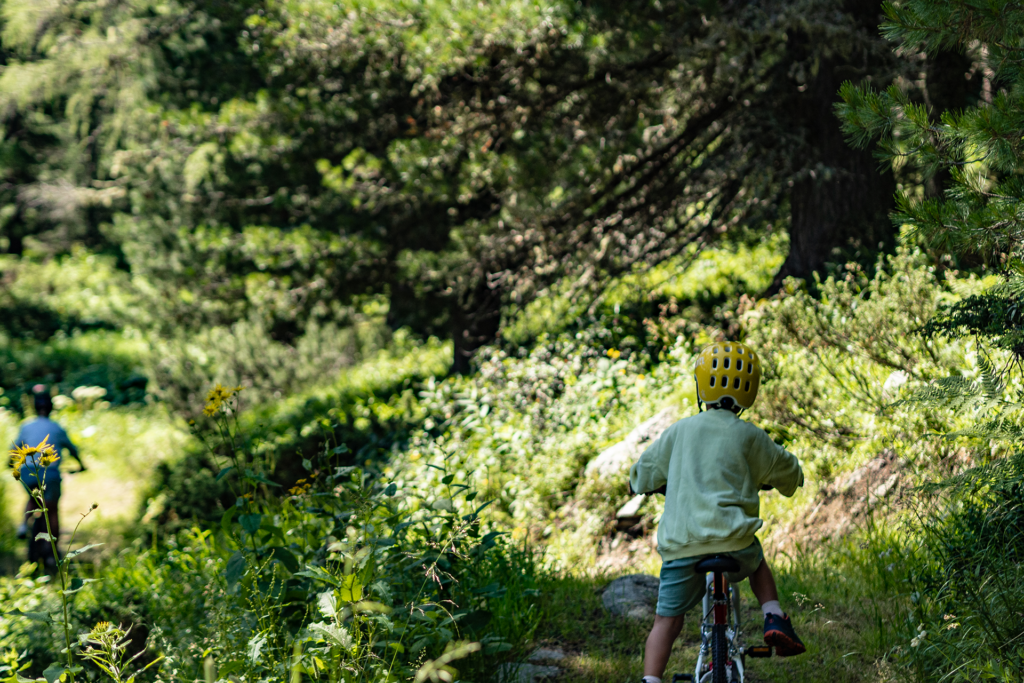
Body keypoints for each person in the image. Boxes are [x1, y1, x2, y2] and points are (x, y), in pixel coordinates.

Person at [629, 342, 806, 683]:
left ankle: (650, 679)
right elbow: (786, 468)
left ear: (702, 386)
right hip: (733, 542)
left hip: (684, 547)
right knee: (756, 562)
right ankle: (773, 616)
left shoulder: (681, 430)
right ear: (750, 391)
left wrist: (637, 482)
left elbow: (645, 469)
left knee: (666, 621)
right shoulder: (749, 436)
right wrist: (793, 478)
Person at [13, 387, 85, 545]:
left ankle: (23, 525)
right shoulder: (57, 427)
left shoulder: (26, 426)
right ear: (51, 408)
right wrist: (81, 464)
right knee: (52, 509)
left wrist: (11, 464)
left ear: (34, 408)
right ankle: (54, 550)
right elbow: (72, 449)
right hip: (50, 471)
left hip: (26, 470)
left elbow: (15, 449)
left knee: (33, 496)